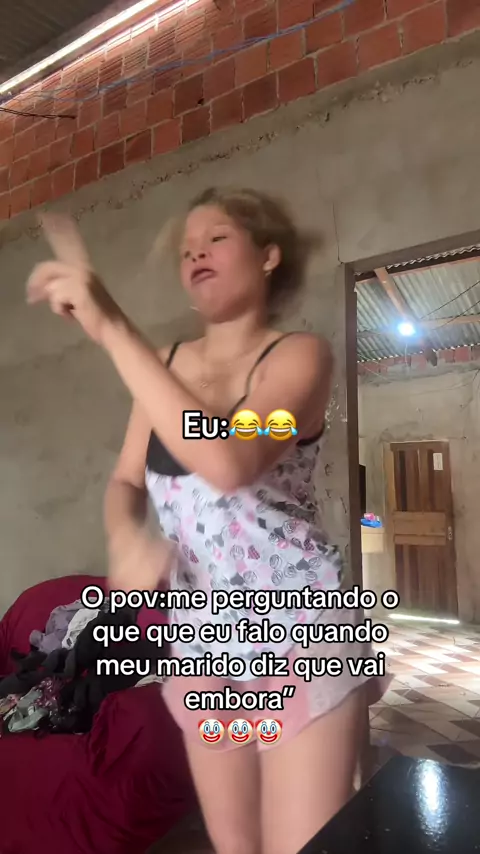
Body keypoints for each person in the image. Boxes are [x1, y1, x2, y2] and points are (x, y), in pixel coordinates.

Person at [27, 188, 383, 854]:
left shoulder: (300, 359)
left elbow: (228, 458)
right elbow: (126, 480)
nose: (196, 253)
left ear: (269, 255)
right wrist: (125, 535)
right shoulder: (164, 367)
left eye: (216, 237)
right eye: (187, 248)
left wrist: (112, 327)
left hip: (301, 638)